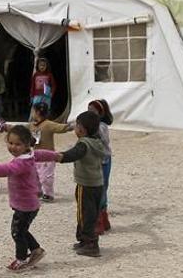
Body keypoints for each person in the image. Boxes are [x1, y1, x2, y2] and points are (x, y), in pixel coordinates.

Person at [0, 125, 58, 272]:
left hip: (26, 206)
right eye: (10, 143)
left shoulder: (21, 163)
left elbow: (6, 169)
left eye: (17, 144)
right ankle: (36, 250)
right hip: (27, 204)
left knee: (17, 232)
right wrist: (56, 156)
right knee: (22, 230)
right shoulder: (30, 155)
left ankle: (21, 259)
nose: (13, 147)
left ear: (27, 144)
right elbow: (42, 154)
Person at [45, 112, 105, 257]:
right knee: (91, 213)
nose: (75, 129)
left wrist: (56, 156)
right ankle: (86, 241)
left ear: (82, 130)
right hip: (97, 184)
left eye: (77, 126)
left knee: (84, 214)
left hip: (85, 185)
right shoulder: (97, 142)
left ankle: (90, 244)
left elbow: (73, 154)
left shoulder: (84, 144)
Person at [29, 102, 72, 202]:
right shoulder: (31, 125)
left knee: (46, 177)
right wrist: (5, 127)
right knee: (35, 175)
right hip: (36, 156)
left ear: (38, 112)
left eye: (33, 111)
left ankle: (48, 194)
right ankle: (38, 192)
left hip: (48, 156)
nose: (32, 113)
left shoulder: (48, 124)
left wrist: (73, 126)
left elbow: (61, 128)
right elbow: (20, 129)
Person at [87, 99, 114, 235]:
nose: (90, 113)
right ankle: (103, 218)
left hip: (103, 161)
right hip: (96, 161)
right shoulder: (91, 125)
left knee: (101, 189)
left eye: (93, 111)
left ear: (100, 113)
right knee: (98, 189)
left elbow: (103, 140)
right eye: (88, 110)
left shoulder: (101, 126)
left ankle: (100, 220)